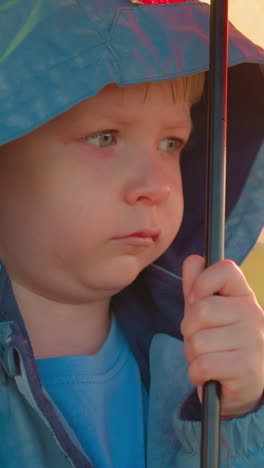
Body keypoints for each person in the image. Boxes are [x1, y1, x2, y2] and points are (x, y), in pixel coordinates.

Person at [0, 1, 263, 467]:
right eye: (104, 137)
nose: (156, 185)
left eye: (171, 144)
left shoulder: (198, 360)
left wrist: (238, 419)